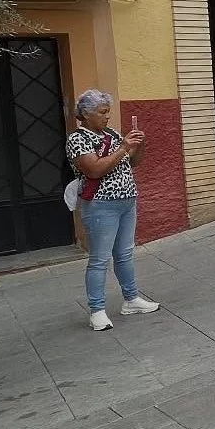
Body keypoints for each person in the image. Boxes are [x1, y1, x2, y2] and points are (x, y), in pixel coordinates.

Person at [65, 90, 159, 332]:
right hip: (100, 204)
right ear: (85, 114)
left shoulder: (113, 134)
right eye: (102, 112)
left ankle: (131, 299)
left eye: (108, 111)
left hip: (127, 200)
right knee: (99, 259)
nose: (107, 117)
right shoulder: (77, 139)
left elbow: (133, 162)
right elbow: (94, 169)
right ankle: (97, 311)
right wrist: (123, 147)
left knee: (125, 253)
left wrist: (139, 145)